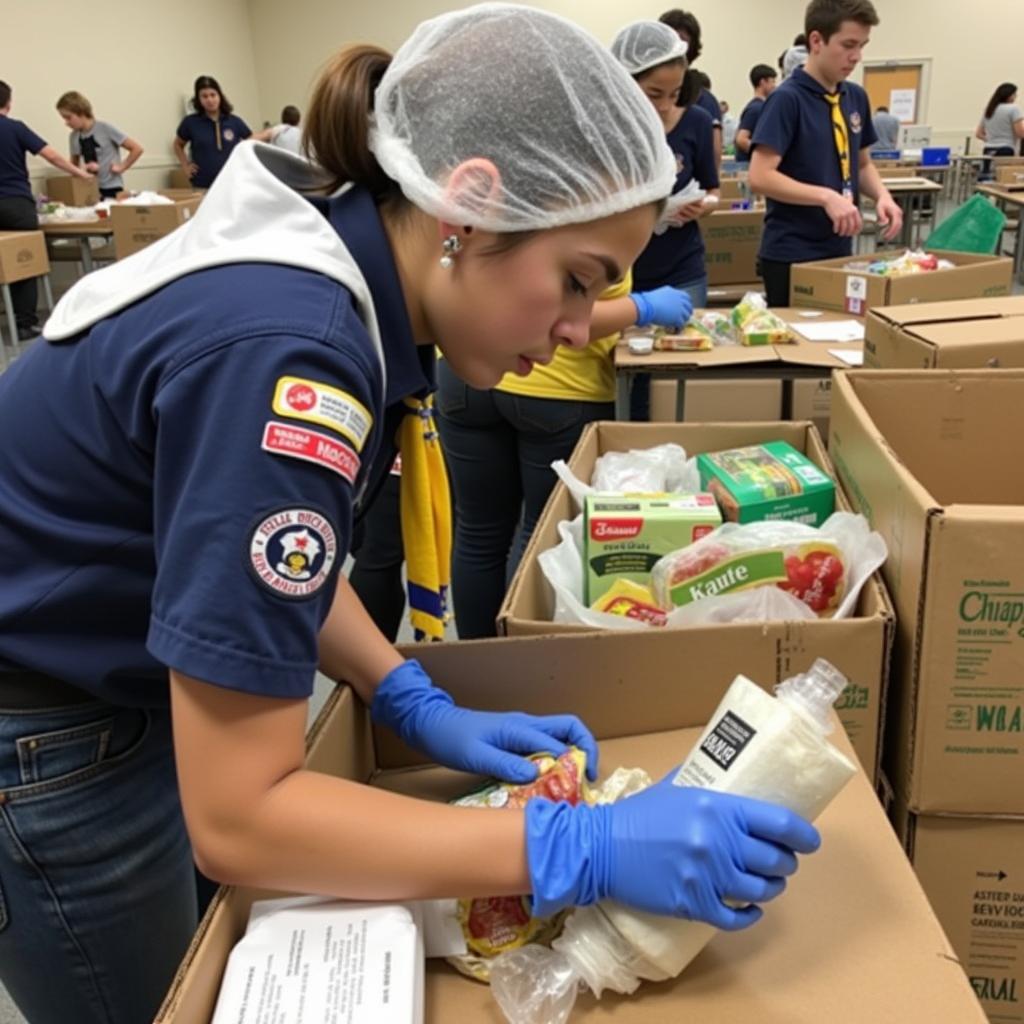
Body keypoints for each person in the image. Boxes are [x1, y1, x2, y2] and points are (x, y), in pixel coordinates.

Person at [0, 8, 821, 1022]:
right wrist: (575, 847)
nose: (578, 327)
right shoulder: (287, 355)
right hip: (45, 723)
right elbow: (242, 817)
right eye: (574, 281)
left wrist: (407, 695)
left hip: (115, 676)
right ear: (467, 209)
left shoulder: (336, 269)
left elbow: (275, 560)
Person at [436, 274, 692, 639]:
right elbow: (566, 318)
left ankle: (476, 665)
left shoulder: (478, 216)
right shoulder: (594, 221)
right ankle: (521, 664)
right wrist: (640, 307)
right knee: (539, 535)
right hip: (555, 386)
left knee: (479, 532)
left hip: (463, 370)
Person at [749, 0, 903, 308]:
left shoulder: (855, 97)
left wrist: (882, 195)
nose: (856, 56)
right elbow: (759, 176)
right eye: (848, 45)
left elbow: (861, 165)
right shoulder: (786, 100)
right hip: (791, 252)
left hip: (839, 245)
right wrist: (826, 197)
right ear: (816, 41)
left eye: (862, 46)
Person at [614, 20, 719, 420]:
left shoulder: (694, 122)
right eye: (653, 93)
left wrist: (698, 206)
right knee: (632, 379)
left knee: (680, 375)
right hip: (629, 271)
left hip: (682, 265)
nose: (662, 105)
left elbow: (713, 189)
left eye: (672, 94)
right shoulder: (617, 134)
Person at [0, 80, 93, 341]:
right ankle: (24, 323)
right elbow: (50, 155)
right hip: (15, 203)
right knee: (24, 260)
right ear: (8, 103)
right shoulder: (15, 128)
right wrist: (79, 173)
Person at [659, 9, 724, 167]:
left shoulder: (704, 102)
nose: (675, 51)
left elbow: (712, 168)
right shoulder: (639, 95)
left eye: (682, 44)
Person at [56, 90, 144, 199]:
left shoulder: (105, 128)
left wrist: (122, 166)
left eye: (69, 118)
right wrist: (83, 170)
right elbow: (74, 166)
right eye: (64, 119)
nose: (66, 123)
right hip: (89, 187)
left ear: (81, 112)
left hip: (111, 187)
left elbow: (137, 149)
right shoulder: (74, 136)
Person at [173, 75, 251, 188]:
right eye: (204, 96)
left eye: (213, 95)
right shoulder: (190, 122)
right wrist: (185, 166)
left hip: (233, 183)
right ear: (199, 100)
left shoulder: (234, 122)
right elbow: (177, 144)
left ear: (219, 96)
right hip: (202, 185)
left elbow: (251, 142)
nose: (209, 100)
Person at [735, 64, 778, 163]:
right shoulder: (756, 109)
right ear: (763, 82)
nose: (775, 86)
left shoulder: (761, 107)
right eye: (773, 82)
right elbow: (741, 139)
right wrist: (763, 155)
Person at [976, 83, 1024, 157]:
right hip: (1006, 149)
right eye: (1014, 94)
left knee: (990, 168)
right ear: (1009, 96)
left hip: (988, 149)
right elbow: (1020, 133)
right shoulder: (1013, 109)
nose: (1016, 97)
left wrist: (992, 140)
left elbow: (979, 134)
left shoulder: (989, 109)